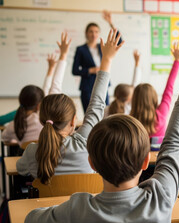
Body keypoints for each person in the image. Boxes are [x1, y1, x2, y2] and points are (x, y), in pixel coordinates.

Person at [23, 31, 179, 223]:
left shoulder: (76, 212)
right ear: (145, 162)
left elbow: (30, 220)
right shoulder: (161, 198)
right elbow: (174, 144)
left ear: (92, 163)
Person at [16, 29, 123, 183]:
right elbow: (97, 103)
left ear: (42, 119)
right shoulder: (84, 143)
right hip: (84, 207)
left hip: (47, 208)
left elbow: (20, 170)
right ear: (73, 121)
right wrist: (107, 59)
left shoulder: (32, 151)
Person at [3, 33, 71, 147]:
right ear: (39, 105)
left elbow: (5, 137)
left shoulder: (14, 125)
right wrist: (63, 55)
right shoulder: (44, 119)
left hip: (28, 163)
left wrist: (16, 141)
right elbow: (55, 85)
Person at [130, 42, 179, 142]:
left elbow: (136, 89)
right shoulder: (161, 113)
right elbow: (169, 87)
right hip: (160, 156)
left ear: (134, 99)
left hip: (138, 157)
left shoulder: (131, 119)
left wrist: (137, 64)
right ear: (153, 98)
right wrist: (177, 61)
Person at [72, 10, 117, 112]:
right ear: (86, 33)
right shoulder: (81, 49)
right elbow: (74, 70)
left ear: (99, 33)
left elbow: (118, 41)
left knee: (106, 115)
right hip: (87, 88)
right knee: (90, 115)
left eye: (96, 31)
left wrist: (110, 23)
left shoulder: (102, 47)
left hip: (103, 84)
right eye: (91, 31)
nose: (94, 34)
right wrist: (90, 70)